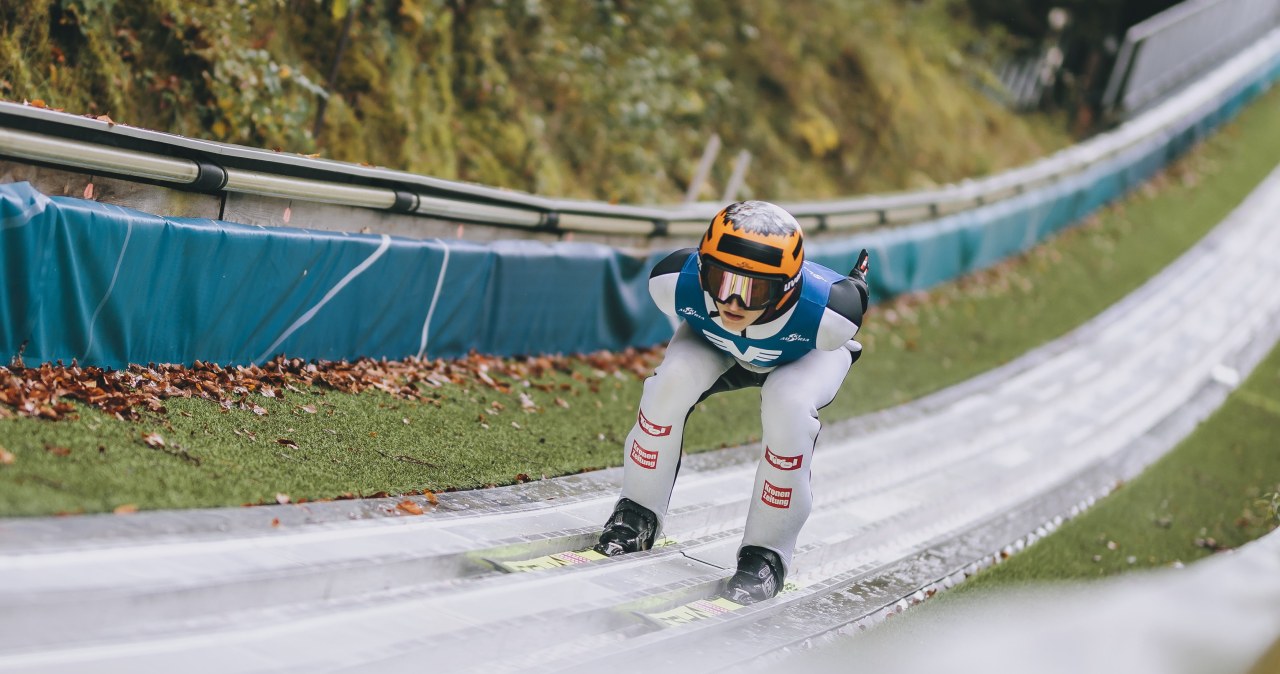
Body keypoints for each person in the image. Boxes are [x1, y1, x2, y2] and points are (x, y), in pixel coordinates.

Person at [593, 200, 870, 604]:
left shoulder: (831, 317)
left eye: (753, 289)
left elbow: (853, 293)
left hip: (804, 353)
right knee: (668, 385)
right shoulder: (671, 282)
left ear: (788, 290)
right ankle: (636, 512)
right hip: (714, 343)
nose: (734, 304)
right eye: (723, 282)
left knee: (788, 406)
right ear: (703, 269)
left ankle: (766, 555)